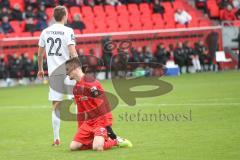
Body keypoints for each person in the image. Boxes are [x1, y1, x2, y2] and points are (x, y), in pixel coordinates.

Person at [65, 57, 132, 151]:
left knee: (97, 147)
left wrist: (108, 126)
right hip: (89, 122)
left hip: (101, 120)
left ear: (75, 68)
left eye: (67, 70)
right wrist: (80, 129)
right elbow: (80, 111)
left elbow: (103, 106)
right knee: (73, 147)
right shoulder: (75, 89)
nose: (66, 73)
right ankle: (96, 140)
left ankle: (116, 141)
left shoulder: (92, 83)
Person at [37, 5, 78, 146]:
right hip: (69, 72)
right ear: (65, 15)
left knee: (56, 106)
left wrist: (40, 69)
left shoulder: (45, 32)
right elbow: (72, 51)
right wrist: (78, 69)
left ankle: (56, 138)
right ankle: (82, 134)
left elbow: (40, 54)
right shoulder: (68, 31)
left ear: (54, 16)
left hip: (54, 74)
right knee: (77, 101)